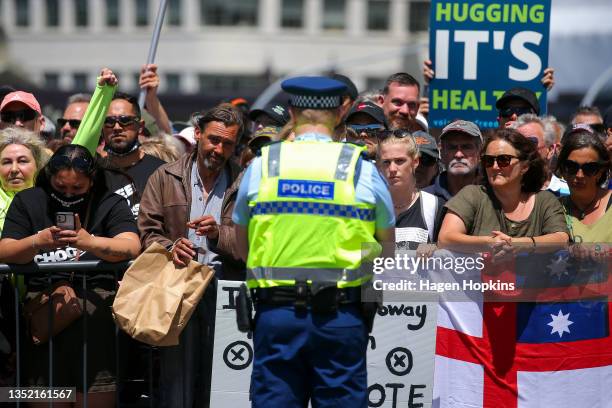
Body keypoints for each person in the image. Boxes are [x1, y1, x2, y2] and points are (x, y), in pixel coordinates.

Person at [233, 76, 395, 407]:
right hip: (340, 317)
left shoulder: (264, 165)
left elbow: (242, 241)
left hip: (275, 315)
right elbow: (385, 248)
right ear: (340, 114)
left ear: (292, 113)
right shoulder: (359, 169)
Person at [0, 144, 140, 407]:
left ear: (92, 181)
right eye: (60, 187)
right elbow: (4, 250)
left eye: (77, 189)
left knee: (93, 398)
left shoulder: (110, 202)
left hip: (97, 325)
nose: (68, 194)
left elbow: (131, 246)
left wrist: (88, 242)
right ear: (49, 176)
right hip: (45, 320)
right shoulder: (29, 200)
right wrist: (37, 241)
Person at [138, 103, 245, 408]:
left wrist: (218, 235)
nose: (218, 148)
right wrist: (172, 246)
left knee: (223, 380)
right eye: (214, 139)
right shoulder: (164, 176)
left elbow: (257, 242)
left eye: (227, 144)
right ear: (198, 134)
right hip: (177, 287)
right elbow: (147, 232)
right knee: (177, 383)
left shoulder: (245, 181)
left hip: (226, 289)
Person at [102, 92, 166, 218]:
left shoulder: (162, 173)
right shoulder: (94, 173)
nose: (117, 127)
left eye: (125, 120)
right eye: (109, 121)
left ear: (140, 127)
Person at [377, 133, 444, 249]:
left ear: (415, 162)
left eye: (399, 161)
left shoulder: (435, 207)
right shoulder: (367, 206)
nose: (392, 169)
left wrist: (436, 248)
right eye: (386, 162)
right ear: (379, 165)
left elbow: (453, 259)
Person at [557, 128, 611, 236]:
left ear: (600, 172)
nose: (579, 175)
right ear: (563, 169)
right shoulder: (554, 209)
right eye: (571, 167)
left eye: (589, 168)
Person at [0, 128, 48, 233]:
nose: (14, 169)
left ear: (38, 165)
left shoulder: (52, 199)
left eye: (22, 161)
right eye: (7, 162)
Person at [424, 120, 482, 200]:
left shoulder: (494, 195)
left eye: (466, 147)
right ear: (442, 153)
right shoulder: (425, 199)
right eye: (452, 147)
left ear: (479, 153)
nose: (458, 155)